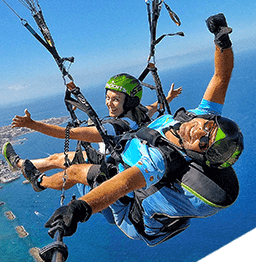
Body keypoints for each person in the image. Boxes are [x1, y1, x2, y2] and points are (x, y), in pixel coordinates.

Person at [43, 13, 244, 246]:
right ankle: (45, 177)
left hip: (131, 216)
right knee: (80, 159)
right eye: (206, 127)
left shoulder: (160, 159)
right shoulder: (198, 115)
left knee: (78, 170)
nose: (196, 131)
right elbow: (221, 77)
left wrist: (79, 209)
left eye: (202, 143)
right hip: (128, 170)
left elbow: (125, 183)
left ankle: (41, 182)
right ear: (210, 119)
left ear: (198, 155)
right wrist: (222, 40)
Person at [3, 77, 182, 192]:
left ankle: (39, 181)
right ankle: (19, 164)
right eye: (108, 97)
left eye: (115, 100)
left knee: (62, 165)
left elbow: (67, 134)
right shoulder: (138, 112)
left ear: (128, 102)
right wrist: (169, 98)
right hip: (111, 156)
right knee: (56, 158)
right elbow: (154, 107)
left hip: (104, 163)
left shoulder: (115, 127)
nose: (109, 103)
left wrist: (32, 124)